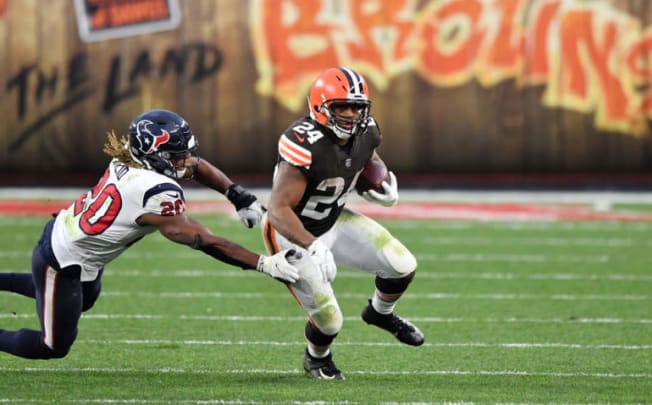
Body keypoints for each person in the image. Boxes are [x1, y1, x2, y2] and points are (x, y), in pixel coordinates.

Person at [0, 109, 300, 360]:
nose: (186, 161)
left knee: (82, 300)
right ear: (156, 155)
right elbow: (202, 239)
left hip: (72, 239)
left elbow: (196, 166)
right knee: (52, 346)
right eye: (177, 156)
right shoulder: (153, 190)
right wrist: (264, 263)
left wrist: (237, 194)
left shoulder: (129, 156)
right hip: (62, 259)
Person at [262, 66, 424, 381]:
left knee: (402, 265)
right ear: (321, 107)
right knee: (330, 321)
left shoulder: (367, 131)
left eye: (357, 107)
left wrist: (381, 182)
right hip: (293, 234)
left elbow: (369, 157)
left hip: (334, 219)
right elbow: (278, 210)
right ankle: (316, 358)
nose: (351, 114)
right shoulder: (305, 143)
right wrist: (312, 245)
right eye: (341, 107)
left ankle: (380, 313)